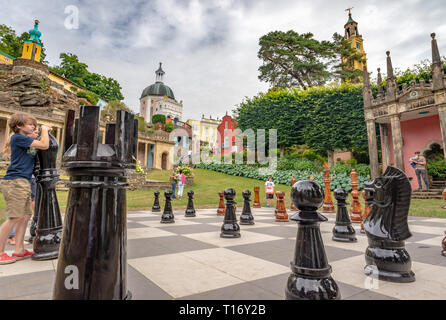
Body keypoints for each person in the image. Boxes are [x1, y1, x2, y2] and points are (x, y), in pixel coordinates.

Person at [0, 113, 51, 265]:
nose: (34, 127)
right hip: (15, 181)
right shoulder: (17, 137)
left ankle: (19, 249)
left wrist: (41, 133)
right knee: (14, 217)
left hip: (24, 181)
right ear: (19, 126)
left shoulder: (27, 141)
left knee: (24, 217)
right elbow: (44, 145)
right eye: (31, 125)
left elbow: (40, 146)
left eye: (35, 125)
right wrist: (44, 130)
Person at [6, 127, 39, 246]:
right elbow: (44, 145)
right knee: (15, 214)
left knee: (25, 214)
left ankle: (17, 245)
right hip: (18, 179)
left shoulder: (29, 147)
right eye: (34, 131)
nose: (36, 133)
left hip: (27, 179)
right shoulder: (18, 139)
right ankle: (9, 239)